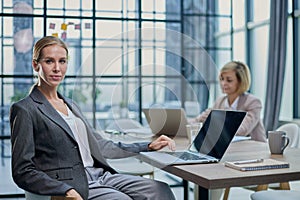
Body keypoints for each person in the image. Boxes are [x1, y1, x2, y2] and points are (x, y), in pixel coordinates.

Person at [10, 36, 176, 200]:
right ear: (35, 65)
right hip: (69, 183)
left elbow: (101, 146)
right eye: (49, 61)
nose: (57, 68)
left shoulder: (71, 105)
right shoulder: (25, 109)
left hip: (100, 175)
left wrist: (147, 145)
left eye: (62, 61)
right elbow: (22, 170)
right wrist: (64, 190)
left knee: (160, 190)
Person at [193, 61, 267, 142]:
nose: (223, 83)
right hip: (230, 148)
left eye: (229, 80)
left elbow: (242, 130)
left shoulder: (253, 102)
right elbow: (199, 120)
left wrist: (214, 124)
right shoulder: (220, 101)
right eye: (222, 79)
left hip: (254, 149)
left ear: (240, 82)